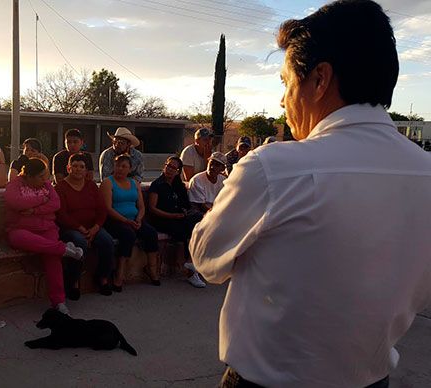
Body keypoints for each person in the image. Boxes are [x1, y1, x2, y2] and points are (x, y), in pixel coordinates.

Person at [190, 1, 430, 387]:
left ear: (319, 79)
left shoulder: (273, 169)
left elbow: (206, 259)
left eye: (286, 83)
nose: (283, 101)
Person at [4, 157, 83, 315]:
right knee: (18, 238)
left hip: (47, 228)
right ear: (29, 176)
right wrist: (41, 199)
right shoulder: (15, 184)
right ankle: (64, 249)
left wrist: (34, 210)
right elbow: (16, 203)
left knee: (52, 257)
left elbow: (55, 204)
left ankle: (59, 301)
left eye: (45, 176)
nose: (45, 180)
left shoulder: (46, 185)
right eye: (41, 177)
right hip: (20, 228)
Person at [55, 153, 115, 299]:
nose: (77, 169)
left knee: (107, 242)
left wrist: (96, 227)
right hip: (70, 229)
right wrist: (80, 228)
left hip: (92, 227)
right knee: (80, 243)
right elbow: (61, 214)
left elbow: (102, 209)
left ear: (86, 170)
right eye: (74, 166)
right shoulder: (60, 187)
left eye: (81, 167)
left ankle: (102, 278)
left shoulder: (91, 186)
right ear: (68, 168)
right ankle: (74, 281)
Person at [100, 154, 159, 291]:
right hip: (114, 220)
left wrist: (138, 218)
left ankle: (152, 269)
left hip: (134, 219)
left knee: (150, 233)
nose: (120, 169)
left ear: (130, 169)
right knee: (128, 235)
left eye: (124, 166)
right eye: (117, 165)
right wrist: (126, 221)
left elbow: (142, 206)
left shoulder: (134, 183)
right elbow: (108, 208)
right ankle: (119, 272)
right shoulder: (108, 183)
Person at [148, 156, 205, 288]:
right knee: (186, 231)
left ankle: (191, 263)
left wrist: (184, 213)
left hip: (178, 218)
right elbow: (152, 208)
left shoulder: (179, 186)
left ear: (178, 171)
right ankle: (191, 272)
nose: (169, 169)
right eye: (168, 166)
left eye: (173, 168)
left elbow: (186, 205)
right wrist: (172, 215)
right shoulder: (157, 185)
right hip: (162, 220)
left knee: (199, 221)